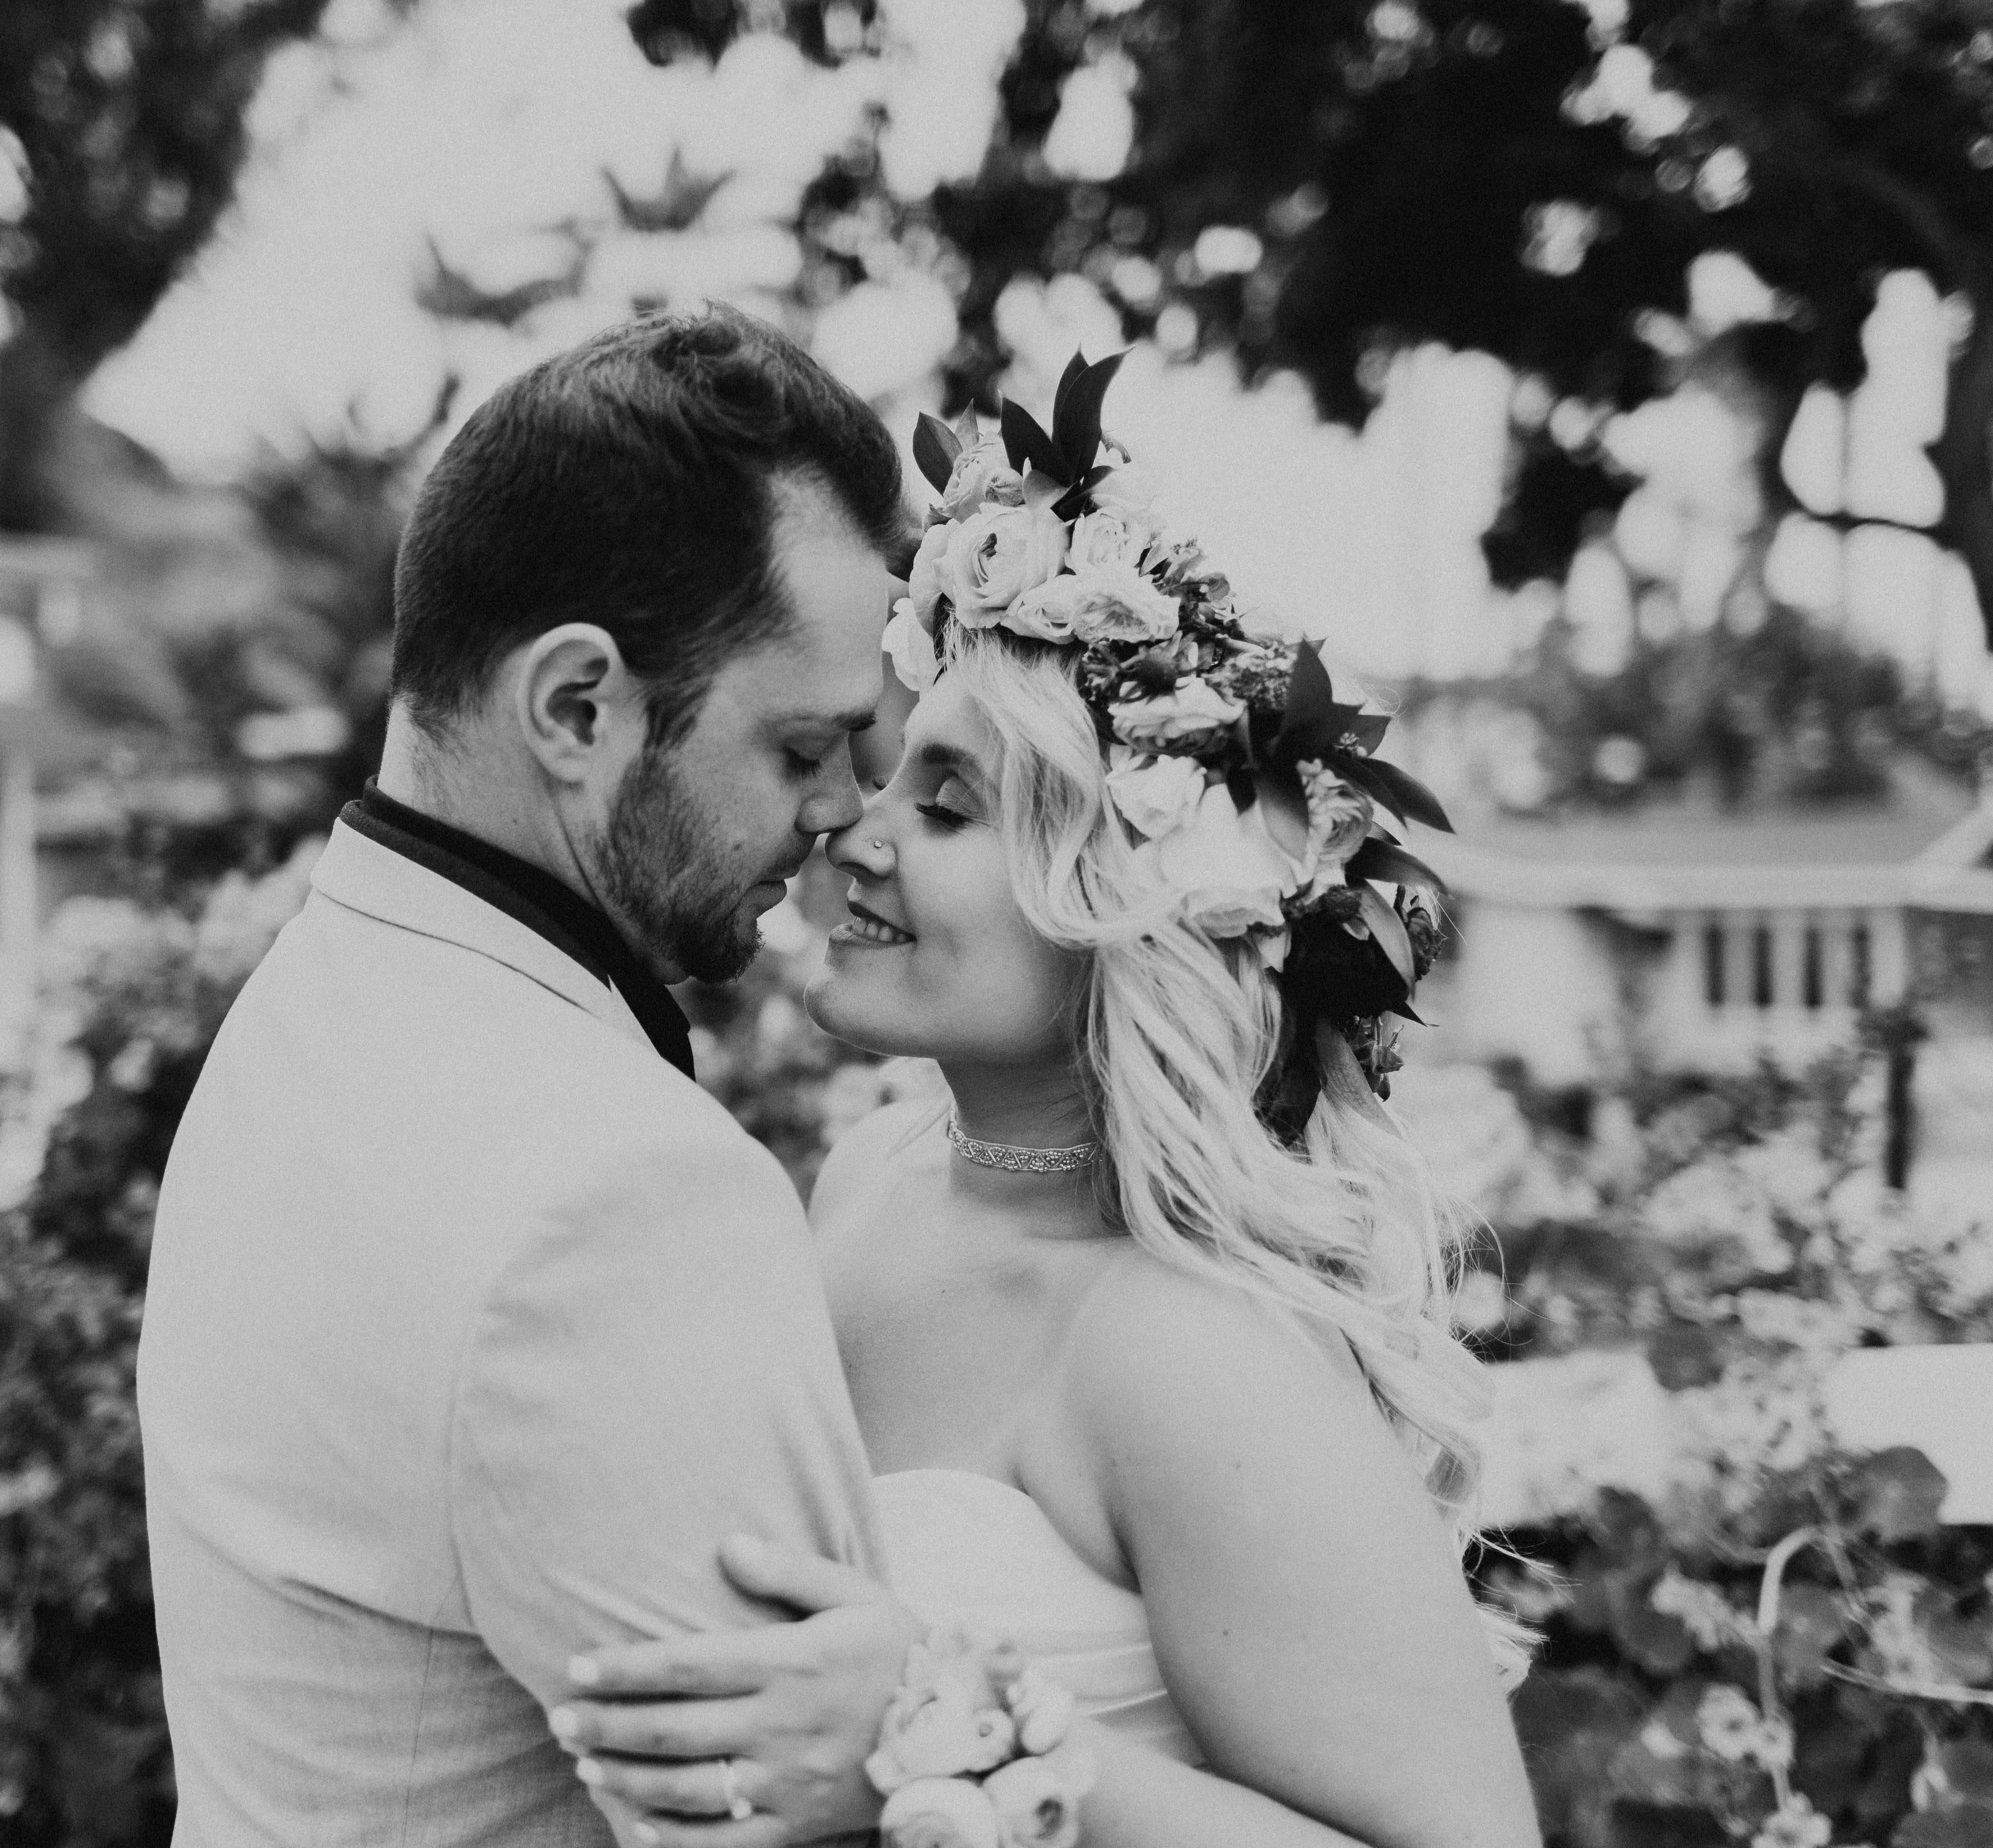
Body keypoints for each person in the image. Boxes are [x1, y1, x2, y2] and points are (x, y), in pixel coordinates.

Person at [552, 370, 1543, 1848]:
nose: (854, 832)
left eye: (947, 808)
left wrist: (945, 1740)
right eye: (885, 776)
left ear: (1126, 905)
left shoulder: (1187, 1351)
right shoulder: (873, 1179)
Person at [136, 305, 922, 1848]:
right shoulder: (614, 1199)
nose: (847, 807)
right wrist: (960, 1727)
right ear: (577, 706)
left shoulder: (317, 996)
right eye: (801, 748)